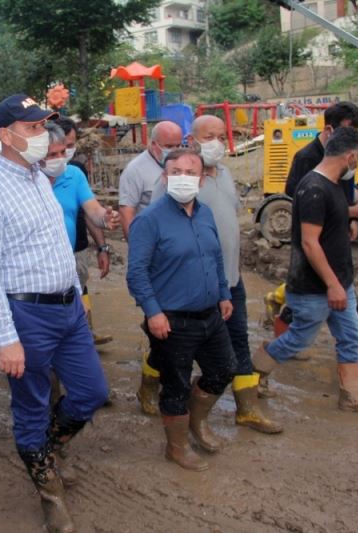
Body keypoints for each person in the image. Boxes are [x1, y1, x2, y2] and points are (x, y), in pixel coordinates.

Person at [0, 93, 108, 533]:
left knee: (90, 392)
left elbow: (54, 247)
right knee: (31, 405)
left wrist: (78, 294)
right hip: (27, 317)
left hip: (67, 308)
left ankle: (46, 450)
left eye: (43, 126)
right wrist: (6, 338)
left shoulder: (38, 179)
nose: (42, 136)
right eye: (31, 128)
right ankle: (50, 496)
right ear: (6, 135)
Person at [150, 115, 282, 434]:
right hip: (190, 290)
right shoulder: (177, 182)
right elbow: (156, 235)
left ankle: (246, 408)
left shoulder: (224, 174)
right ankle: (160, 398)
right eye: (210, 136)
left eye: (222, 137)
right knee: (170, 351)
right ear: (193, 140)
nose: (218, 143)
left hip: (229, 282)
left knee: (238, 340)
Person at [253, 128, 358, 416]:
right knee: (297, 339)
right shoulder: (314, 188)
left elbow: (333, 220)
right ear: (351, 156)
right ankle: (252, 376)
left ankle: (353, 395)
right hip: (315, 287)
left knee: (352, 336)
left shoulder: (333, 184)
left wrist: (355, 213)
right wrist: (332, 285)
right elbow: (309, 242)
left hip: (339, 282)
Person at [127, 148, 236, 472]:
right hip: (172, 320)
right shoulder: (149, 220)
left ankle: (196, 423)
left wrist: (223, 292)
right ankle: (176, 447)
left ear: (202, 179)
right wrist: (153, 312)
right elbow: (136, 272)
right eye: (176, 171)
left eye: (191, 172)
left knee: (223, 370)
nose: (183, 178)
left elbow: (214, 257)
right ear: (164, 177)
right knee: (175, 385)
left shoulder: (204, 214)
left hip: (210, 314)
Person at [282, 102, 358, 392]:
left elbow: (342, 197)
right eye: (348, 133)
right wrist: (350, 213)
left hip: (335, 253)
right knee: (304, 323)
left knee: (348, 322)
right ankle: (259, 370)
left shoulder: (344, 164)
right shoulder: (309, 161)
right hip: (316, 257)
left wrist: (353, 213)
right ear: (330, 130)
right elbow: (307, 212)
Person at [118, 120, 184, 416]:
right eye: (169, 145)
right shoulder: (136, 170)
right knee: (161, 328)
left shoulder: (185, 167)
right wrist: (139, 252)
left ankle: (169, 379)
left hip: (181, 258)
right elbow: (127, 210)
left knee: (181, 327)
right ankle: (150, 383)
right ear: (153, 144)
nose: (174, 150)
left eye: (178, 144)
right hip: (155, 260)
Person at [54, 116, 114, 345]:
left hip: (77, 248)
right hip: (44, 261)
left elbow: (91, 212)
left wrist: (102, 247)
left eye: (70, 146)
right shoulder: (31, 177)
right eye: (60, 148)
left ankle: (84, 335)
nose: (65, 153)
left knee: (80, 288)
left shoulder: (76, 172)